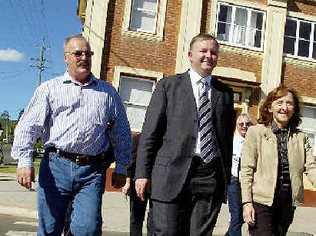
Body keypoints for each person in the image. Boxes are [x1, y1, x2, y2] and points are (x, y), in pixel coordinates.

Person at [11, 34, 132, 236]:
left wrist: (121, 166)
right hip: (55, 167)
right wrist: (25, 161)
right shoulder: (49, 89)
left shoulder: (108, 93)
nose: (84, 57)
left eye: (88, 53)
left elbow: (121, 131)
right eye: (78, 53)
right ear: (66, 57)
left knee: (87, 229)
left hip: (91, 172)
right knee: (49, 229)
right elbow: (28, 126)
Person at [135, 33, 235, 235]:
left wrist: (225, 179)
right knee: (166, 232)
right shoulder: (168, 86)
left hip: (208, 176)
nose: (209, 56)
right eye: (203, 51)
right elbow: (150, 134)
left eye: (214, 52)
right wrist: (142, 173)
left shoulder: (225, 93)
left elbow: (226, 140)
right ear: (190, 55)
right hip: (170, 174)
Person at [240, 86, 316, 235]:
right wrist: (247, 202)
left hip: (287, 203)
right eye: (279, 102)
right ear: (270, 107)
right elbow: (247, 169)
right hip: (261, 201)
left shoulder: (301, 138)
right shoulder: (256, 132)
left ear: (294, 109)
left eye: (289, 103)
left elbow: (311, 167)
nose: (284, 107)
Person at [226, 113, 253, 236]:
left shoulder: (254, 141)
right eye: (241, 124)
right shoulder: (230, 141)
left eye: (247, 124)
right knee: (236, 215)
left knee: (243, 217)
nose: (244, 126)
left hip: (249, 183)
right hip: (234, 181)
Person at [122, 132, 152, 236]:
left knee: (153, 219)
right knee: (136, 218)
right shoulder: (137, 139)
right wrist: (127, 182)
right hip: (137, 184)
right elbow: (130, 163)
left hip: (155, 185)